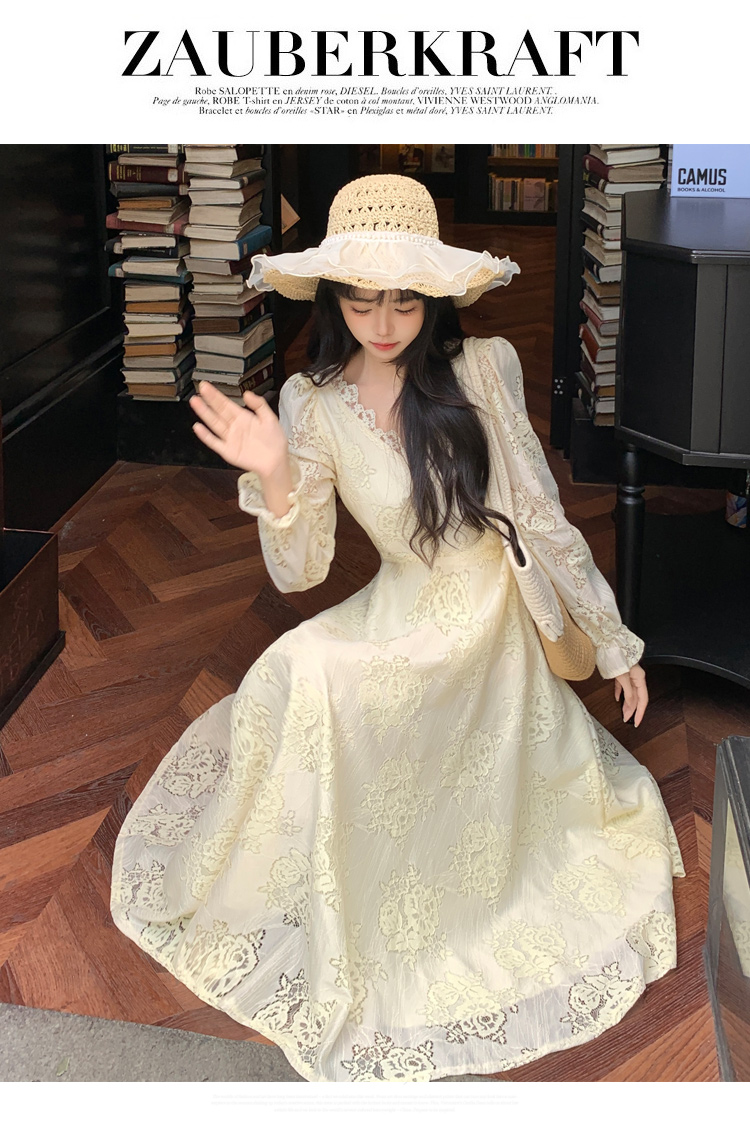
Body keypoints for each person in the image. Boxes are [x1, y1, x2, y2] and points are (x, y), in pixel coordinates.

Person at [110, 175, 685, 1083]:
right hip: (398, 605)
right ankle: (316, 877)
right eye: (362, 298)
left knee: (330, 684)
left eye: (405, 299)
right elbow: (301, 571)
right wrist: (276, 477)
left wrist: (612, 641)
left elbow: (540, 516)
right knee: (293, 666)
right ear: (333, 297)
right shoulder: (311, 402)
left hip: (488, 618)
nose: (384, 322)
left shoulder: (483, 367)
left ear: (434, 296)